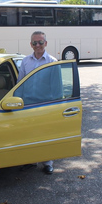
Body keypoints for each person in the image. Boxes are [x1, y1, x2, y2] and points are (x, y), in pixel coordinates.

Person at [18, 31, 57, 175]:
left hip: (44, 105)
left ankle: (48, 163)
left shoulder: (52, 61)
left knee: (45, 134)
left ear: (46, 43)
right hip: (28, 104)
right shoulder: (25, 61)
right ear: (31, 45)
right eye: (35, 43)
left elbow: (56, 85)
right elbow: (20, 83)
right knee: (29, 134)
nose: (38, 45)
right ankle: (31, 160)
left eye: (41, 42)